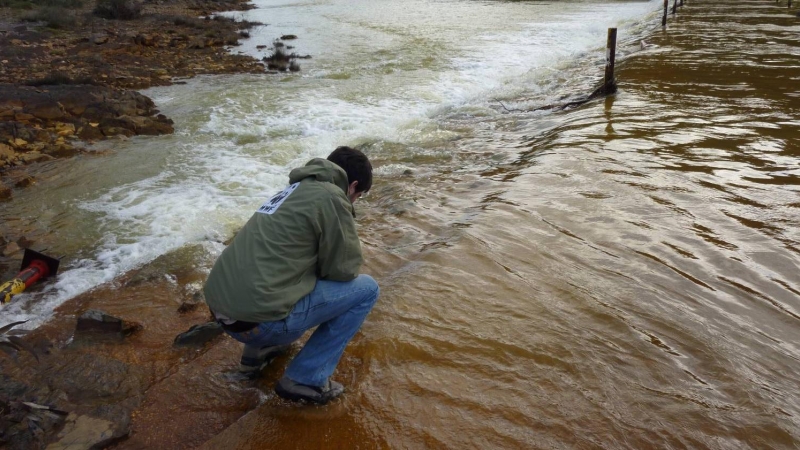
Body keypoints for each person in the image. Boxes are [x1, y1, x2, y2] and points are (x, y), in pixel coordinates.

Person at [203, 146, 380, 405]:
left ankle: (258, 354)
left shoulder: (291, 191)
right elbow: (344, 270)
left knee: (283, 273)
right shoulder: (333, 196)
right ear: (352, 186)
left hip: (222, 312)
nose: (354, 201)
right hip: (261, 323)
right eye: (359, 196)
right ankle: (305, 379)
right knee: (366, 290)